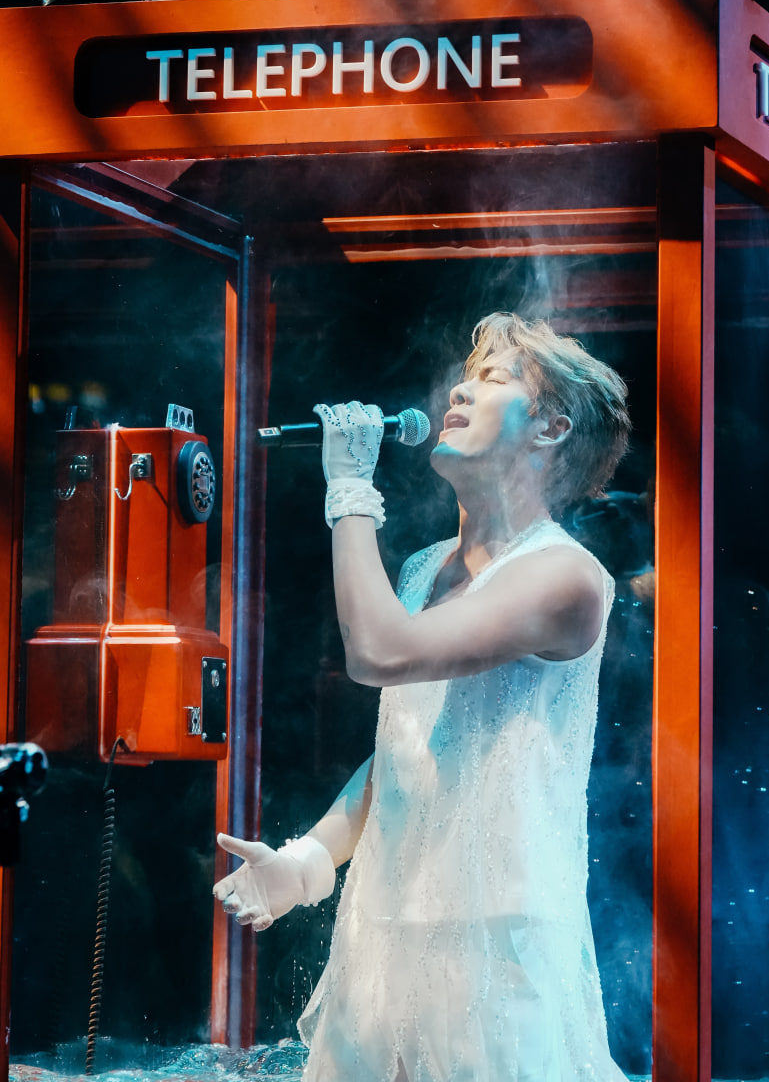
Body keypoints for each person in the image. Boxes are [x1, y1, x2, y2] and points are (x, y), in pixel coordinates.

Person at [214, 311, 631, 1082]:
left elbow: (379, 654)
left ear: (550, 430)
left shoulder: (564, 576)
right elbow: (405, 753)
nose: (460, 393)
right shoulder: (422, 567)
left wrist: (350, 489)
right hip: (383, 931)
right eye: (465, 378)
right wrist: (309, 859)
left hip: (494, 945)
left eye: (493, 379)